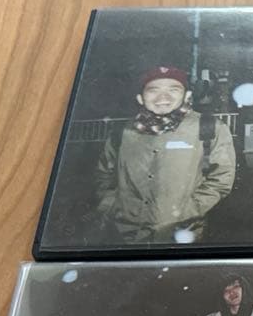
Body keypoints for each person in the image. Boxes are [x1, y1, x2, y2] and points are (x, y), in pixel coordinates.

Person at [94, 65, 236, 244]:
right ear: (140, 97)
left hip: (183, 233)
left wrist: (188, 210)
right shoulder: (122, 132)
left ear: (187, 96)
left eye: (173, 89)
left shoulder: (209, 127)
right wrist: (112, 206)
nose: (163, 97)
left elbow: (221, 178)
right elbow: (104, 174)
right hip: (125, 235)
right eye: (153, 90)